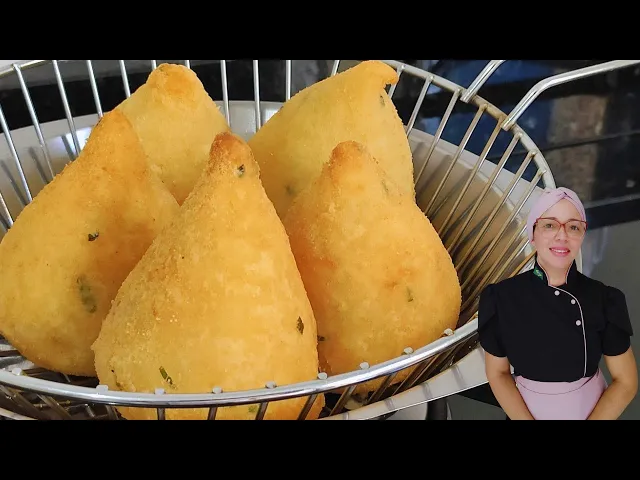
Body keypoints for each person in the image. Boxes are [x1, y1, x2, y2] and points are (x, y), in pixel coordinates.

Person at [478, 187, 638, 420]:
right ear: (532, 235)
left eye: (573, 227)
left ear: (582, 235)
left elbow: (626, 382)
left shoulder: (605, 299)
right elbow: (498, 374)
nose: (562, 236)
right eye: (549, 225)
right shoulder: (501, 298)